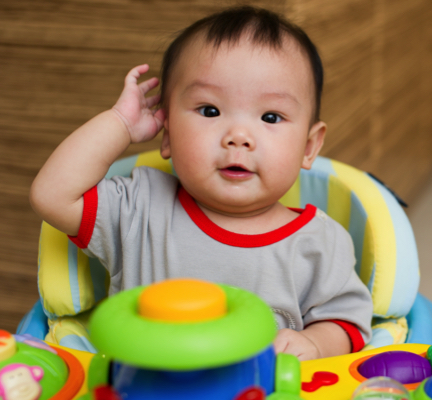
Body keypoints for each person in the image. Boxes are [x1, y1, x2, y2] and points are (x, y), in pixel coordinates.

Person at [29, 6, 373, 361]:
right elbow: (52, 196)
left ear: (308, 146)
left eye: (271, 116)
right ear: (167, 133)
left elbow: (347, 323)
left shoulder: (319, 243)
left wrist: (315, 343)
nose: (238, 136)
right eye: (210, 110)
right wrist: (119, 124)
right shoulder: (139, 208)